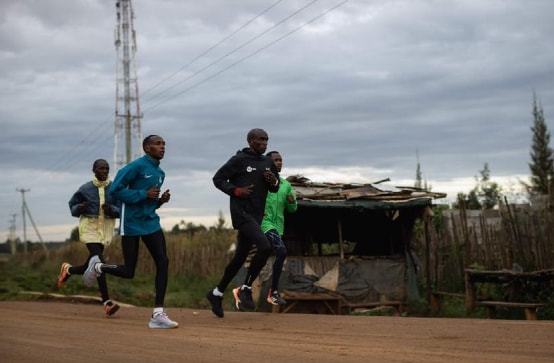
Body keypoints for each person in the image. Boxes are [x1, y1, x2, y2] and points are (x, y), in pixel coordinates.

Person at [82, 135, 178, 329]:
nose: (162, 147)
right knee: (128, 271)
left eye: (164, 144)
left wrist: (160, 201)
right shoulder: (135, 167)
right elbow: (114, 191)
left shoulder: (160, 173)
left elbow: (149, 203)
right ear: (146, 148)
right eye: (158, 144)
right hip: (131, 223)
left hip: (150, 222)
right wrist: (143, 194)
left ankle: (158, 314)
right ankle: (99, 267)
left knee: (163, 261)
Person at [206, 128, 279, 318]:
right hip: (241, 214)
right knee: (265, 247)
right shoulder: (238, 160)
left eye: (266, 140)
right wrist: (236, 190)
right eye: (260, 140)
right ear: (250, 141)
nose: (264, 143)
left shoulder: (267, 162)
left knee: (239, 258)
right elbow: (218, 179)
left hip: (256, 215)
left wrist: (273, 182)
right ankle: (245, 288)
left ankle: (216, 293)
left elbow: (275, 187)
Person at [57, 159, 120, 317]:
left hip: (105, 229)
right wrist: (80, 208)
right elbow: (72, 206)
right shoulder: (85, 189)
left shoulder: (114, 188)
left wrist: (111, 210)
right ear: (94, 170)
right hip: (89, 228)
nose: (104, 171)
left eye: (106, 168)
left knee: (92, 263)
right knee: (98, 263)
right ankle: (106, 302)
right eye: (101, 168)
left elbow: (121, 210)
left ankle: (69, 270)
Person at [260, 151, 297, 306]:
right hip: (263, 223)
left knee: (261, 258)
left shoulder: (286, 185)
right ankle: (273, 292)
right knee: (281, 251)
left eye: (280, 160)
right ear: (268, 163)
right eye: (275, 160)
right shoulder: (261, 181)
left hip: (278, 227)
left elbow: (293, 209)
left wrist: (291, 201)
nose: (279, 162)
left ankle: (241, 289)